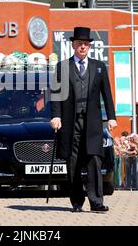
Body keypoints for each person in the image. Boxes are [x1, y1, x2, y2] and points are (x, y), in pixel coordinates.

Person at [50, 26, 117, 213]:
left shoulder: (99, 67)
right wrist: (56, 116)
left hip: (93, 122)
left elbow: (107, 94)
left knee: (94, 159)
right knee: (73, 162)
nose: (83, 47)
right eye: (79, 43)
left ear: (89, 47)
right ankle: (77, 202)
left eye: (86, 44)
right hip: (70, 122)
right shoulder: (63, 67)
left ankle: (96, 201)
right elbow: (55, 94)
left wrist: (111, 117)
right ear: (73, 45)